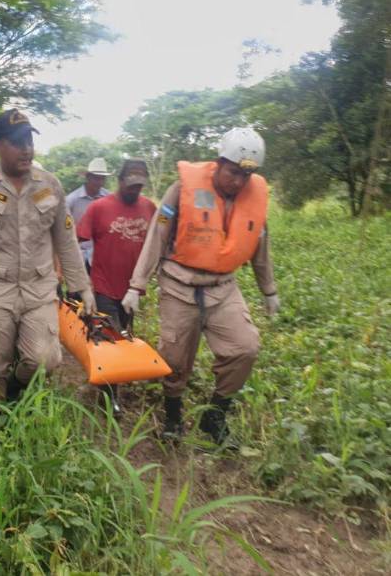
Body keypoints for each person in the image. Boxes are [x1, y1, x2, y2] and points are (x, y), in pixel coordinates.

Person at [122, 127, 280, 445]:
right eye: (233, 173)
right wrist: (136, 286)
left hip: (223, 287)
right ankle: (173, 415)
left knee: (245, 347)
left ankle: (216, 415)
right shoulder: (182, 190)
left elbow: (260, 246)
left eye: (245, 177)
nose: (238, 182)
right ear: (219, 162)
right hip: (180, 285)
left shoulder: (252, 198)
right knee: (175, 358)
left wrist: (269, 290)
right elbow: (157, 236)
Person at [0, 109, 95, 402]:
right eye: (16, 142)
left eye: (29, 140)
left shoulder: (49, 185)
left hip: (38, 287)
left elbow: (66, 239)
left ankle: (15, 388)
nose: (26, 149)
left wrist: (83, 286)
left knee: (45, 360)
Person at [77, 159, 156, 332]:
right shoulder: (99, 208)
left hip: (131, 289)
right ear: (120, 181)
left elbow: (158, 243)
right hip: (103, 287)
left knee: (126, 334)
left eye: (139, 187)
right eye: (131, 186)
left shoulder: (149, 207)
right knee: (111, 339)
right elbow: (75, 244)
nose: (135, 191)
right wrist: (83, 281)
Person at [66, 157, 112, 269]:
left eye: (102, 178)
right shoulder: (72, 200)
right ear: (88, 177)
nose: (99, 182)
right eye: (96, 178)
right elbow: (66, 229)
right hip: (79, 255)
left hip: (101, 255)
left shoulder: (109, 198)